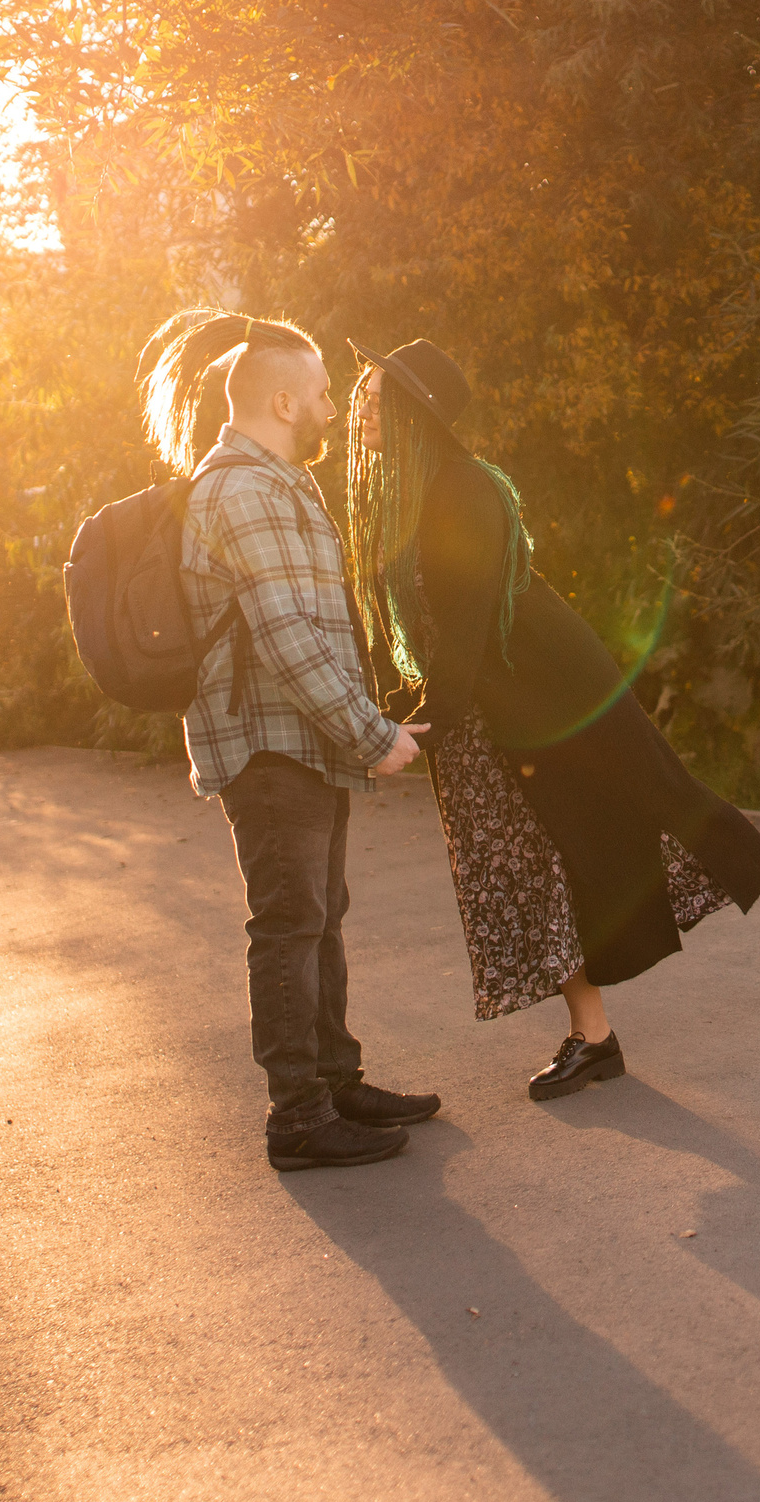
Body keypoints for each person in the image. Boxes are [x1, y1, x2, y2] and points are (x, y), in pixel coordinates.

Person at [342, 338, 760, 1100]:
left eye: (378, 398)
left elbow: (467, 626)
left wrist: (412, 725)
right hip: (497, 705)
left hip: (560, 684)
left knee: (660, 790)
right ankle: (593, 1035)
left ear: (418, 412)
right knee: (530, 859)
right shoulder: (412, 494)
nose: (362, 411)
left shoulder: (463, 489)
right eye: (362, 397)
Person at [137, 308, 443, 1169]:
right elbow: (285, 635)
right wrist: (371, 733)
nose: (332, 408)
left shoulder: (279, 484)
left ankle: (336, 1081)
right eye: (322, 393)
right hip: (267, 748)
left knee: (318, 917)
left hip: (302, 741)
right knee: (288, 923)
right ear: (281, 401)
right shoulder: (240, 493)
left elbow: (313, 624)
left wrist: (364, 726)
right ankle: (297, 1116)